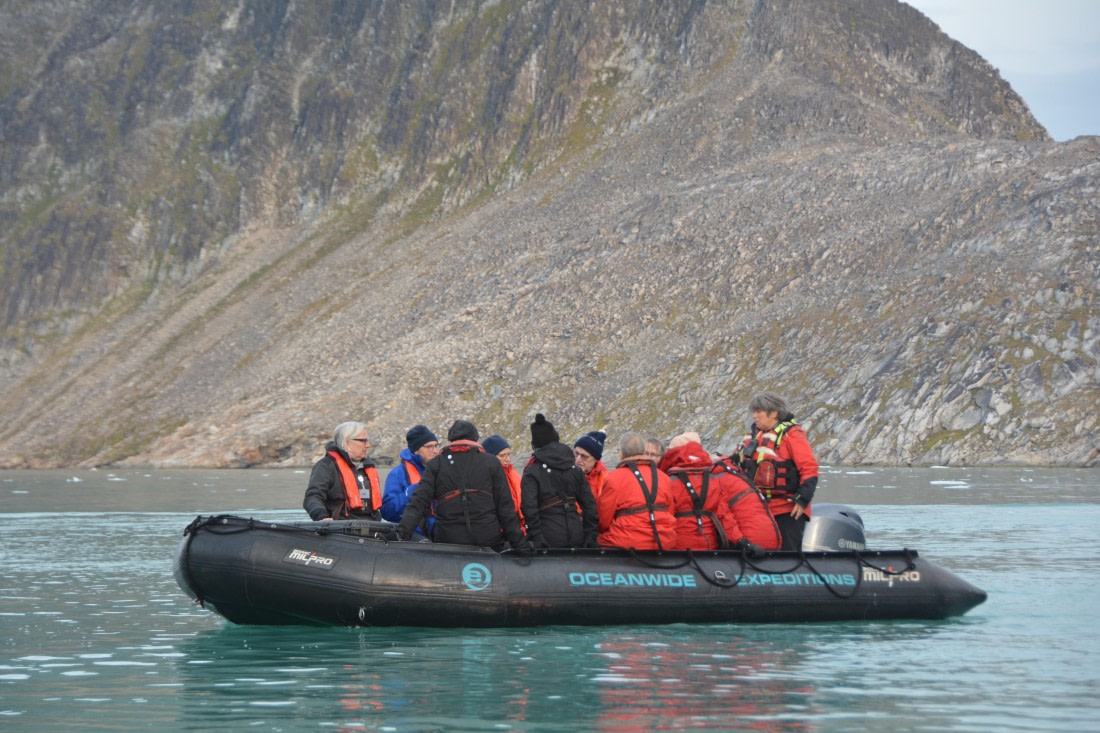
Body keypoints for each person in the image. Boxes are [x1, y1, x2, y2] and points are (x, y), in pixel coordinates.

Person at [396, 420, 528, 551]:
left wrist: (401, 534)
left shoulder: (436, 464)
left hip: (448, 540)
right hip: (488, 539)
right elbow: (505, 508)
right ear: (475, 439)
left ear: (451, 439)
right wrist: (520, 545)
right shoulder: (491, 462)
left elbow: (418, 502)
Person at [663, 432, 781, 552]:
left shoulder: (667, 482)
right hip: (710, 547)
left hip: (679, 549)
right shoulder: (714, 480)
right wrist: (741, 541)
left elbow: (661, 520)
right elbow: (724, 516)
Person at [732, 392, 820, 551]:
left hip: (788, 509)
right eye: (754, 412)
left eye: (759, 412)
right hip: (759, 508)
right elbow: (735, 462)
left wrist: (802, 499)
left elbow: (809, 469)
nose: (755, 416)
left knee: (788, 554)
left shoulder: (792, 435)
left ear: (773, 413)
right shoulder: (753, 436)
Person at [521, 414, 598, 548]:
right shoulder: (575, 469)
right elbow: (590, 506)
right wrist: (590, 535)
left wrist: (537, 537)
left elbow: (529, 508)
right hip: (577, 534)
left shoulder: (532, 472)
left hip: (548, 535)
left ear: (535, 445)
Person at [597, 431, 677, 550]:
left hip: (625, 541)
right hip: (662, 541)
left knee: (597, 540)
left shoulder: (614, 478)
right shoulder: (664, 478)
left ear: (622, 454)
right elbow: (670, 512)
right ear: (643, 452)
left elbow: (603, 520)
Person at [303, 421, 382, 521]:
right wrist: (321, 517)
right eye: (363, 441)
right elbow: (313, 497)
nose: (368, 445)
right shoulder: (326, 466)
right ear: (347, 442)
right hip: (340, 528)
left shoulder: (367, 467)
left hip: (372, 527)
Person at [381, 424, 441, 535]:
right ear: (416, 450)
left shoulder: (441, 471)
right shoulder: (398, 474)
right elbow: (387, 511)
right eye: (429, 447)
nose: (435, 451)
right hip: (413, 536)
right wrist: (413, 491)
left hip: (439, 534)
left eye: (436, 446)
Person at [483, 434, 524, 524]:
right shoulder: (485, 479)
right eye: (502, 456)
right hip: (500, 526)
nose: (508, 459)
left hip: (519, 523)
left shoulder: (511, 472)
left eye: (509, 454)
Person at [574, 430, 609, 500]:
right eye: (576, 453)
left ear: (596, 459)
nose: (578, 459)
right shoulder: (563, 472)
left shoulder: (606, 480)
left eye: (584, 456)